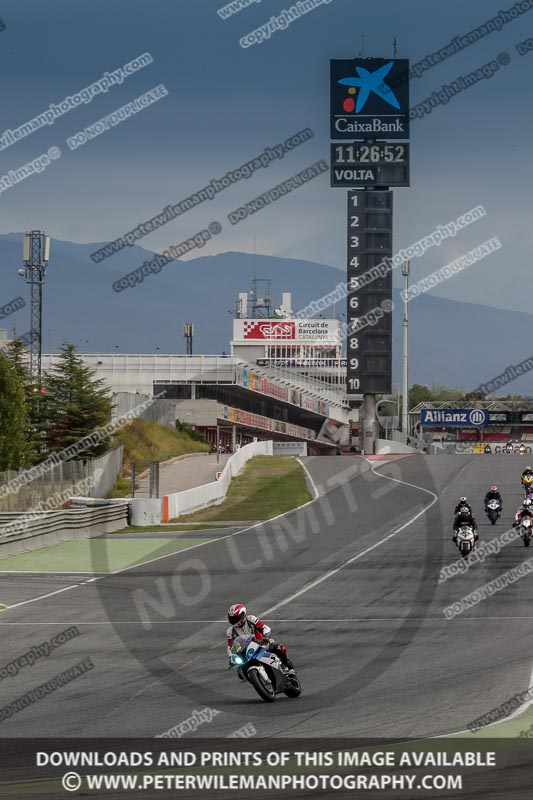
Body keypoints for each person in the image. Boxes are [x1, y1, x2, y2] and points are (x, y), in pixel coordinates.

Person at [226, 604, 295, 679]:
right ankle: (257, 679)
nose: (234, 621)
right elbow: (230, 646)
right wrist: (231, 657)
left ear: (243, 615)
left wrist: (265, 637)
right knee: (240, 672)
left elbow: (265, 628)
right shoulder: (230, 631)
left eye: (236, 618)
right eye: (232, 619)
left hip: (261, 643)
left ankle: (286, 665)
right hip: (246, 652)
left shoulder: (251, 619)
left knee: (279, 648)